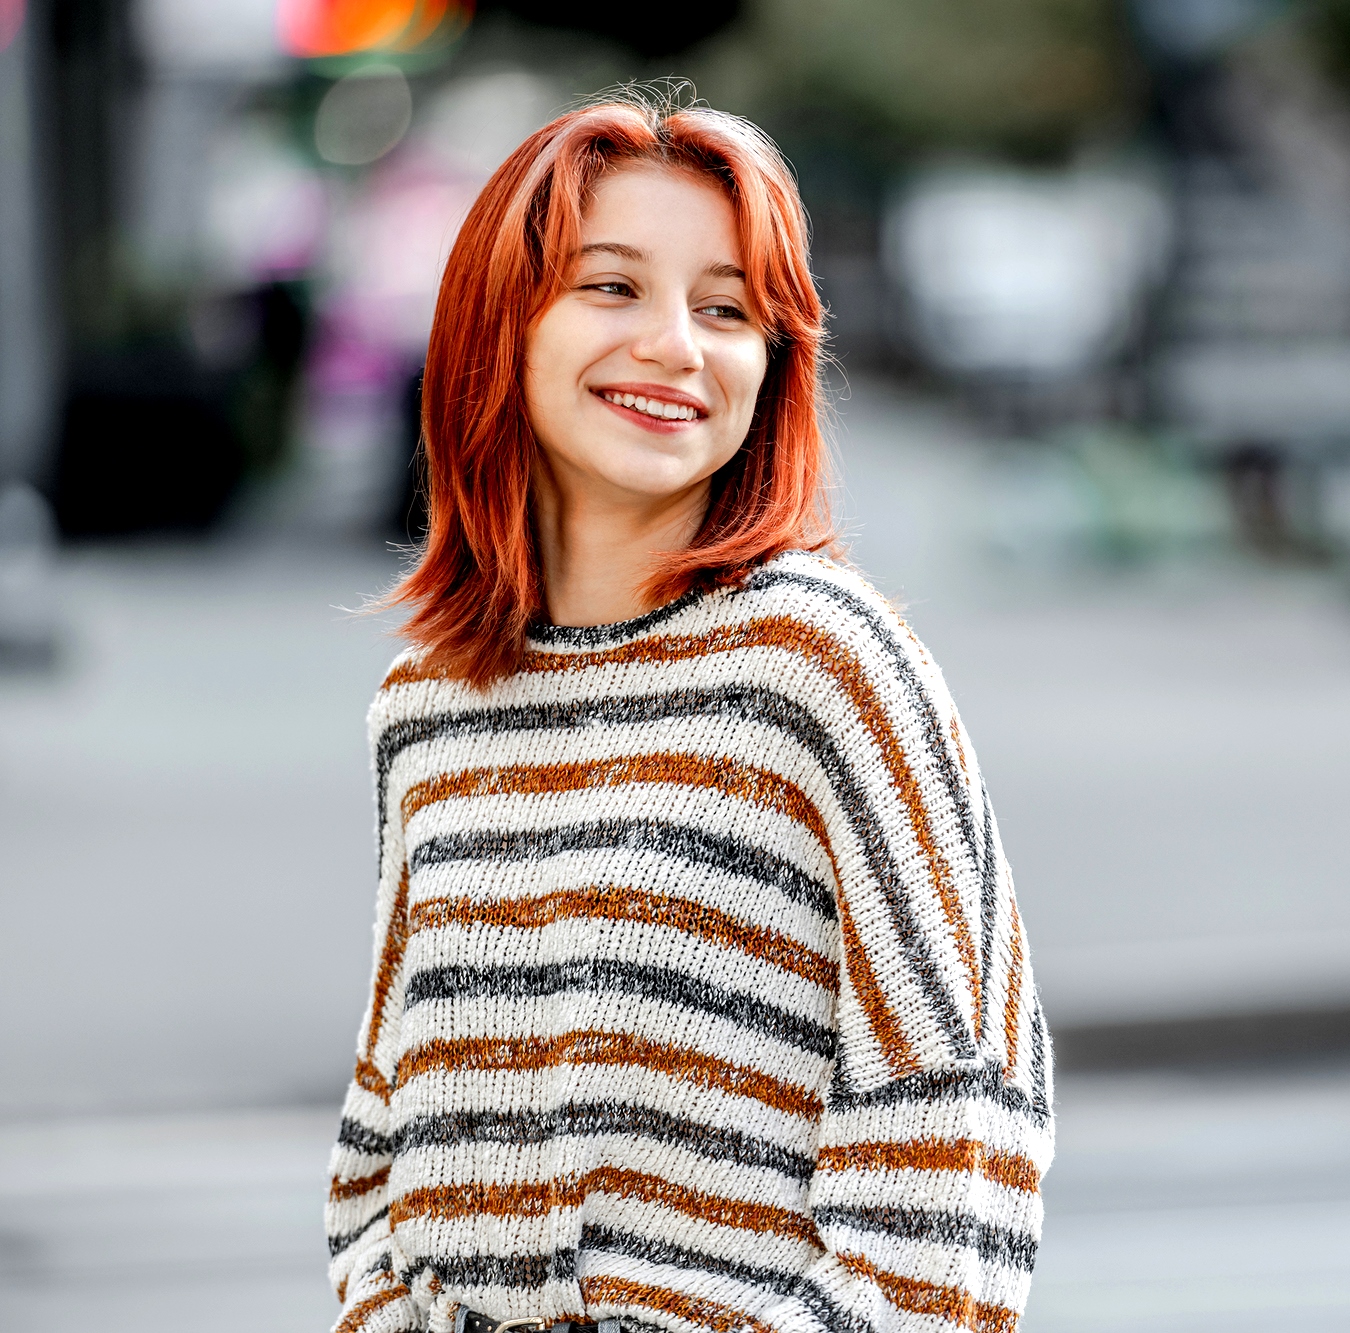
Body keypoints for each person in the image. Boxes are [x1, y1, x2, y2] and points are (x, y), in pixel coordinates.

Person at [325, 89, 1053, 1333]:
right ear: (499, 324)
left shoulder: (822, 663)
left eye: (726, 310)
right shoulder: (428, 704)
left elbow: (960, 1113)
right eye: (612, 287)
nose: (676, 345)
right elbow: (386, 1128)